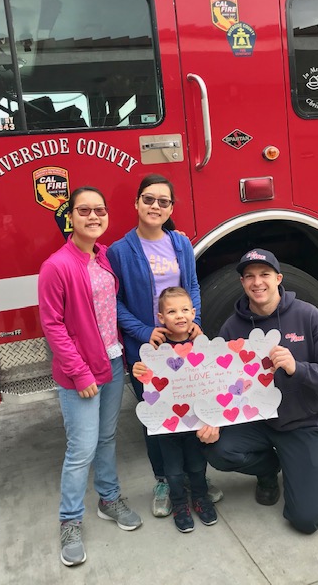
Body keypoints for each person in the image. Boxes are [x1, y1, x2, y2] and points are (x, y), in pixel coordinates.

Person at [198, 248, 318, 534]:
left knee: (306, 520)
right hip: (255, 423)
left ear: (278, 278)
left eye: (264, 274)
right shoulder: (232, 327)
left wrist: (297, 368)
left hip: (301, 423)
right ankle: (268, 468)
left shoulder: (309, 317)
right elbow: (220, 382)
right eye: (249, 276)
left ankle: (298, 463)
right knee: (217, 450)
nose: (257, 282)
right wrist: (214, 418)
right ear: (242, 282)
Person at [38, 186, 142, 567]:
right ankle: (69, 521)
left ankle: (108, 499)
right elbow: (52, 326)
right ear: (70, 217)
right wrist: (80, 374)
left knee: (107, 437)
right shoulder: (56, 266)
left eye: (99, 209)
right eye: (84, 210)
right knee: (81, 448)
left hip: (111, 362)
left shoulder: (104, 256)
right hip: (79, 372)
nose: (93, 216)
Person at [107, 173, 223, 517]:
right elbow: (114, 303)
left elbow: (192, 285)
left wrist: (194, 321)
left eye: (163, 201)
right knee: (156, 419)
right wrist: (144, 331)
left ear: (171, 208)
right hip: (148, 352)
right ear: (136, 203)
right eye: (148, 199)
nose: (155, 206)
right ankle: (163, 481)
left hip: (185, 349)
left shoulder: (180, 244)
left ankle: (195, 480)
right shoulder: (119, 251)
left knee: (192, 412)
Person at [133, 287, 218, 532]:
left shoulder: (202, 345)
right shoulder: (154, 350)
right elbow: (148, 380)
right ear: (161, 318)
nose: (179, 316)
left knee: (197, 465)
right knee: (173, 470)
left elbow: (214, 378)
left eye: (184, 310)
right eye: (171, 312)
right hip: (167, 424)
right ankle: (180, 504)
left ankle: (200, 498)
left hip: (194, 421)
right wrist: (139, 371)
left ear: (193, 313)